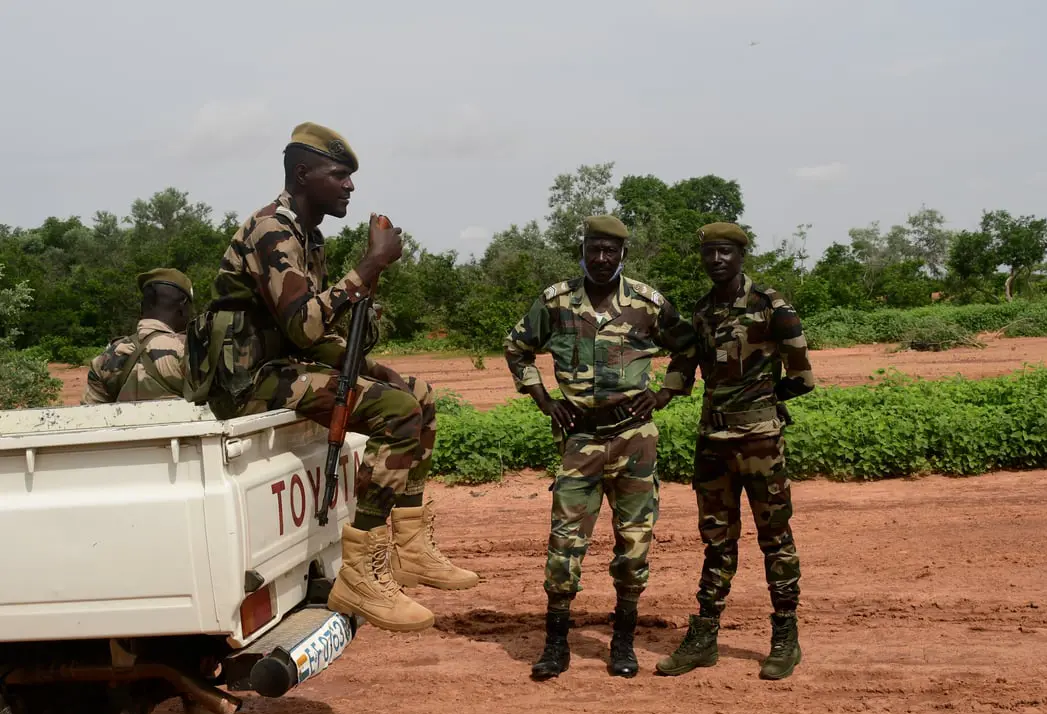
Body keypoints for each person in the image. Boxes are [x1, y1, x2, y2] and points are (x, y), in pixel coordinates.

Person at [194, 122, 476, 634]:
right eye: (339, 175)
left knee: (418, 394)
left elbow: (309, 335)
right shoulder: (271, 230)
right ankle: (361, 571)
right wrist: (369, 265)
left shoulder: (309, 236)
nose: (350, 186)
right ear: (303, 175)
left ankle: (411, 549)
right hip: (247, 381)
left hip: (281, 369)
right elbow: (304, 323)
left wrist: (368, 365)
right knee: (397, 412)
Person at [503, 215, 697, 680]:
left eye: (611, 250)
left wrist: (666, 392)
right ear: (583, 250)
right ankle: (556, 646)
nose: (602, 258)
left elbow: (688, 346)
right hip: (581, 440)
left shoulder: (647, 304)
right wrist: (544, 400)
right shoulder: (556, 302)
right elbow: (517, 347)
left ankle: (623, 643)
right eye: (595, 249)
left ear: (623, 253)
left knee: (634, 545)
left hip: (635, 438)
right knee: (564, 545)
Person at [655, 222, 815, 681]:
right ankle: (704, 637)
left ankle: (785, 637)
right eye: (710, 253)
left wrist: (764, 399)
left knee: (775, 540)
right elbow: (684, 366)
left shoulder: (772, 306)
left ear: (742, 255)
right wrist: (657, 394)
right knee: (716, 543)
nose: (717, 260)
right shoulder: (702, 311)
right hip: (712, 446)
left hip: (760, 443)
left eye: (726, 252)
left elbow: (803, 378)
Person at [82, 268, 192, 404]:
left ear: (142, 307)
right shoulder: (189, 351)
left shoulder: (103, 360)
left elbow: (90, 415)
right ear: (183, 306)